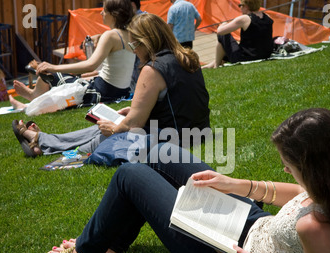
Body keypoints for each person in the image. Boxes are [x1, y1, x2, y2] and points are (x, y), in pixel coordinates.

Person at [45, 108, 330, 253]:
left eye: (289, 167)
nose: (286, 172)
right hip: (252, 223)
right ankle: (114, 244)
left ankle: (86, 250)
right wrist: (236, 185)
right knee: (159, 151)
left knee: (130, 176)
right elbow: (301, 195)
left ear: (316, 169)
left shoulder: (315, 229)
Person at [12, 13, 210, 158]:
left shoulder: (153, 69)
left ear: (145, 43)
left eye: (134, 46)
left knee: (105, 136)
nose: (134, 52)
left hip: (172, 140)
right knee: (105, 127)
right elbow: (177, 102)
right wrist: (134, 111)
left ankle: (42, 143)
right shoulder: (188, 58)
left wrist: (117, 127)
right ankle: (42, 141)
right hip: (196, 133)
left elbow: (133, 125)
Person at [10, 0, 136, 111]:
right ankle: (33, 97)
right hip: (119, 92)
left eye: (104, 10)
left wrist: (53, 67)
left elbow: (90, 65)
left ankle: (31, 99)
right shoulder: (129, 34)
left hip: (102, 92)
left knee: (51, 75)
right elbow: (118, 68)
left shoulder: (111, 35)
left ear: (114, 14)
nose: (101, 13)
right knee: (71, 78)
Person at [202, 0, 273, 69]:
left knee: (223, 35)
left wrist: (223, 24)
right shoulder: (268, 17)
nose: (240, 8)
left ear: (246, 6)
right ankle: (213, 64)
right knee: (227, 45)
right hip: (265, 55)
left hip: (245, 58)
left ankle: (216, 66)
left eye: (240, 5)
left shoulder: (245, 19)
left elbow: (220, 32)